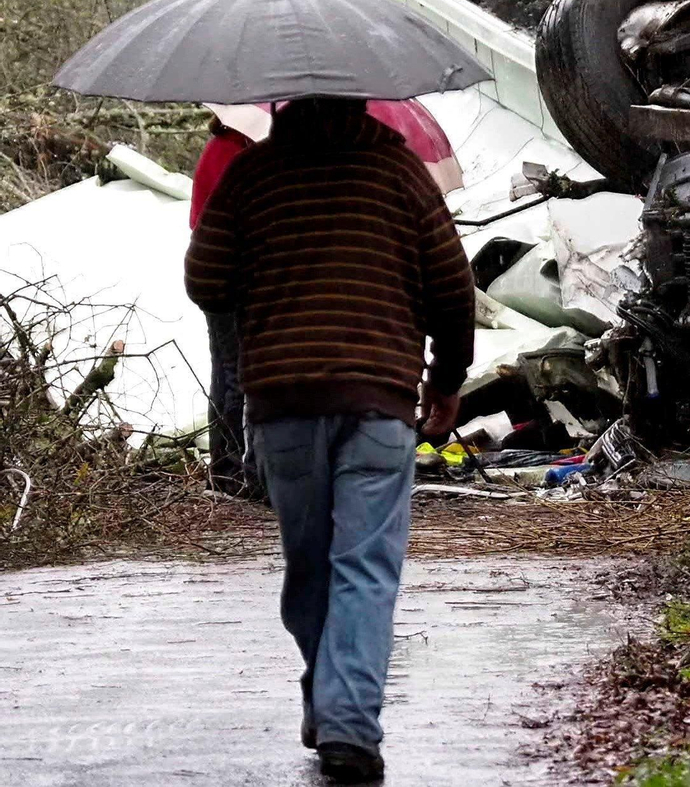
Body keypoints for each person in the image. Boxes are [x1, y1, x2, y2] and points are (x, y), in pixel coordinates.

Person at [185, 96, 476, 784]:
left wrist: (269, 272)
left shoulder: (253, 174)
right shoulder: (400, 173)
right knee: (366, 565)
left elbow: (205, 280)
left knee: (311, 560)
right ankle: (346, 717)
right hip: (377, 401)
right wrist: (448, 379)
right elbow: (452, 288)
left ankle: (333, 702)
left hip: (283, 404)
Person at [190, 115, 254, 494]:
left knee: (227, 371)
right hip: (228, 279)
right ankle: (230, 470)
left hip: (219, 276)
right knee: (234, 375)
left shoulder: (227, 148)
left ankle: (229, 465)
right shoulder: (230, 152)